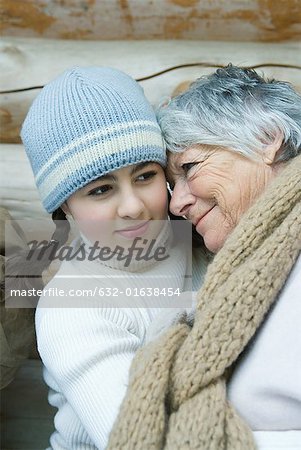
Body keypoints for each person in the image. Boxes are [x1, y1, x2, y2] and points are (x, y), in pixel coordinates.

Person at [107, 65, 301, 450]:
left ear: (267, 139)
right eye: (170, 184)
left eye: (190, 168)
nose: (177, 203)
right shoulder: (253, 264)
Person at [19, 67, 208, 449]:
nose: (133, 207)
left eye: (144, 176)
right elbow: (140, 440)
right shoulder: (72, 309)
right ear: (66, 208)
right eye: (101, 189)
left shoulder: (200, 236)